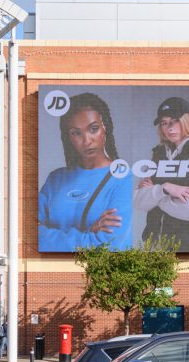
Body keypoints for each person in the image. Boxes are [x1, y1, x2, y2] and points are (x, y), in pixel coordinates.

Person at [38, 92, 133, 251]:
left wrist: (51, 238)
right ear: (68, 137)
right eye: (76, 133)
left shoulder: (124, 179)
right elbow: (29, 233)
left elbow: (108, 245)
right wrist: (87, 234)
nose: (87, 140)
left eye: (93, 129)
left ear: (105, 129)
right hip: (54, 270)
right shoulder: (55, 179)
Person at [133, 97, 189, 251]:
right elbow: (136, 200)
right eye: (164, 123)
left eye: (174, 121)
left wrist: (154, 194)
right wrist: (165, 189)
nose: (169, 128)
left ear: (187, 120)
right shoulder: (158, 154)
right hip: (154, 243)